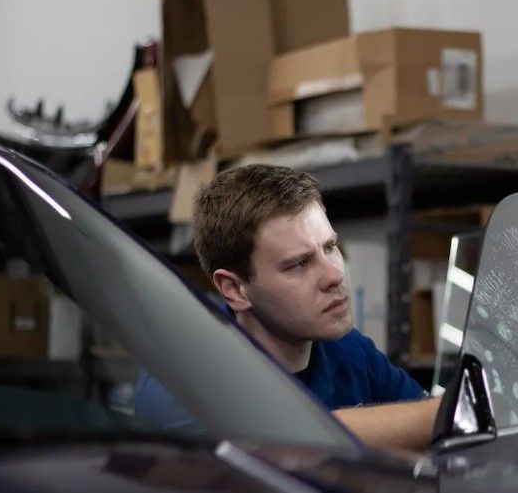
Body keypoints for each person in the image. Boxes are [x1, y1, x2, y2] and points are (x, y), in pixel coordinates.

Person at [134, 164, 440, 451]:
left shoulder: (347, 350)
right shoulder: (177, 383)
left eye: (330, 247)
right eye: (300, 263)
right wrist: (445, 413)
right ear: (235, 289)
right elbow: (280, 444)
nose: (335, 275)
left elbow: (437, 438)